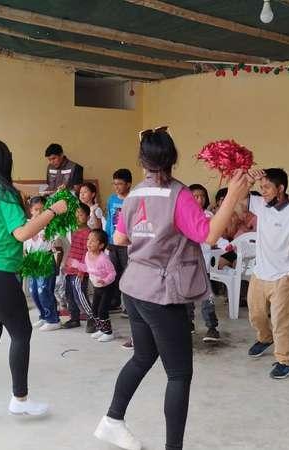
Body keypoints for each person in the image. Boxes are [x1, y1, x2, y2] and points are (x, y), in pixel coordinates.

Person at [93, 127, 251, 450]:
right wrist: (233, 196)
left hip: (134, 289)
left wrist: (149, 235)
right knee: (179, 374)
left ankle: (112, 420)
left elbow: (120, 238)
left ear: (143, 161)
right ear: (173, 158)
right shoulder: (179, 195)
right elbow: (208, 235)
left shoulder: (134, 195)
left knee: (143, 357)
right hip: (162, 294)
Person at [0, 140, 67, 417]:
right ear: (2, 162)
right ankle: (20, 398)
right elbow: (21, 233)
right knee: (21, 333)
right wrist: (52, 211)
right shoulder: (3, 193)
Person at [245, 168, 289, 380]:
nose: (262, 191)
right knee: (256, 315)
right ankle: (265, 338)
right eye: (261, 187)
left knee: (280, 322)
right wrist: (249, 180)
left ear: (280, 188)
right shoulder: (261, 204)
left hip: (285, 276)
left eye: (266, 187)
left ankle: (284, 361)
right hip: (260, 274)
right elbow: (238, 197)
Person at [188, 183, 220, 343]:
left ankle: (212, 327)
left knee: (207, 298)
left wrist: (225, 244)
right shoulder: (184, 215)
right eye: (195, 196)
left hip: (204, 264)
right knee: (187, 297)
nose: (199, 199)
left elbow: (216, 235)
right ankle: (188, 323)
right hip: (187, 264)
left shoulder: (208, 215)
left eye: (202, 196)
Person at [71, 229, 116, 342]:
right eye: (88, 240)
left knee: (102, 311)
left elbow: (112, 273)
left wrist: (105, 280)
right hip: (97, 287)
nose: (89, 243)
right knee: (94, 309)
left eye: (93, 241)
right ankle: (101, 329)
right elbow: (88, 268)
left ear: (101, 245)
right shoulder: (87, 254)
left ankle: (108, 333)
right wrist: (77, 265)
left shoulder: (104, 259)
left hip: (107, 288)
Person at [24, 196, 61, 332]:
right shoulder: (27, 224)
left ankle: (53, 320)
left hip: (45, 259)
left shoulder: (50, 225)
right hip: (32, 259)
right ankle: (44, 316)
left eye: (42, 210)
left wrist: (50, 235)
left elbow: (57, 241)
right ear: (31, 210)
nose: (39, 212)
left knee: (43, 290)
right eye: (36, 209)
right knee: (33, 291)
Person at [105, 169, 132, 348]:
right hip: (113, 242)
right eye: (114, 184)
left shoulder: (133, 199)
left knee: (128, 275)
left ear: (128, 184)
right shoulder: (111, 200)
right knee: (113, 274)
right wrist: (107, 239)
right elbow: (109, 220)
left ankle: (128, 306)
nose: (116, 187)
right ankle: (114, 302)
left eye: (120, 184)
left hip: (128, 244)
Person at [61, 204, 93, 332]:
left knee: (80, 296)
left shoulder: (89, 233)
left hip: (80, 271)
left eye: (80, 215)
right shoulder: (73, 230)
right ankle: (74, 318)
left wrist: (82, 270)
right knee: (69, 295)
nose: (77, 217)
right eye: (75, 215)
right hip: (70, 270)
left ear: (88, 217)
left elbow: (87, 253)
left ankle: (92, 318)